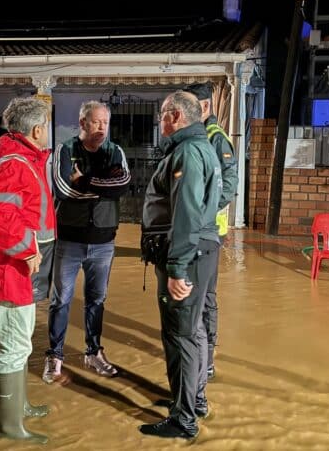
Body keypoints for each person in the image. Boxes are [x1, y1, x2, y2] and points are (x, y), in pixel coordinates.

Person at [139, 90, 222, 440]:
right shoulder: (200, 147)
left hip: (187, 252)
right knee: (194, 330)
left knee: (181, 334)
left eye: (162, 114)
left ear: (175, 116)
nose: (160, 121)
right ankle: (191, 400)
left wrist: (177, 268)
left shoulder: (187, 152)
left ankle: (184, 418)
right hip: (199, 249)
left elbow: (186, 213)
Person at [0, 97, 55, 444]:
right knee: (13, 343)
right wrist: (27, 249)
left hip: (22, 262)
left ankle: (18, 406)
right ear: (37, 130)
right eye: (46, 126)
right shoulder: (15, 162)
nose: (47, 132)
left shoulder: (19, 157)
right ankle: (8, 426)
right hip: (15, 265)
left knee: (20, 339)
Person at [42, 101, 131, 383]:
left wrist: (87, 181)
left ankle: (93, 353)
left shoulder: (115, 151)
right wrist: (103, 185)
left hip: (104, 241)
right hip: (70, 239)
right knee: (61, 300)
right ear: (82, 123)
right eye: (96, 122)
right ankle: (54, 356)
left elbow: (124, 186)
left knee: (97, 300)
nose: (102, 127)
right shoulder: (65, 150)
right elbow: (64, 189)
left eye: (105, 122)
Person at [182, 81, 238, 381]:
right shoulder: (197, 136)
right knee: (194, 294)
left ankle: (209, 355)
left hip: (209, 231)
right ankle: (196, 347)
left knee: (207, 296)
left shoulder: (216, 138)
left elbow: (230, 182)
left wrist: (206, 210)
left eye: (190, 106)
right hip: (195, 231)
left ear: (203, 107)